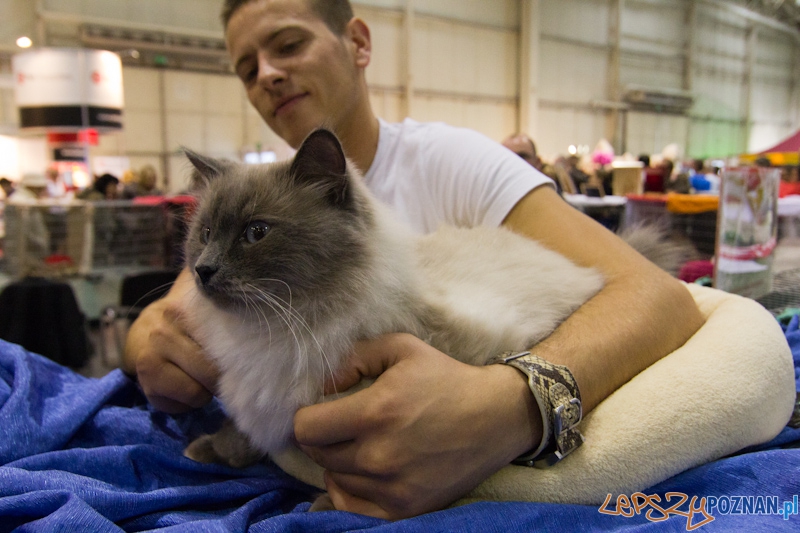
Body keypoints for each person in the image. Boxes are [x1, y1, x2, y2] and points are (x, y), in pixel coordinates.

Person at [123, 0, 704, 520]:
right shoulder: (251, 189)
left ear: (357, 42)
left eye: (289, 44)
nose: (268, 74)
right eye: (247, 69)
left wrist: (510, 407)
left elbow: (651, 292)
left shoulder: (456, 160)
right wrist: (147, 341)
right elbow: (190, 309)